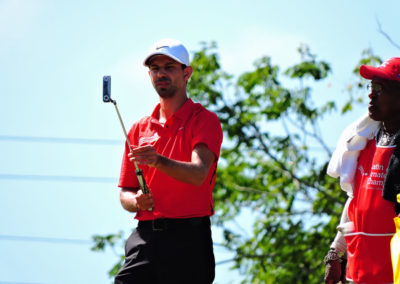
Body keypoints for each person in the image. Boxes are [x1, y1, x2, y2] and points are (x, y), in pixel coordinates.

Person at [114, 39, 223, 284]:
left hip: (189, 239)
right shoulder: (138, 129)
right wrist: (136, 201)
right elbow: (125, 193)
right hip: (145, 238)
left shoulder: (203, 120)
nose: (161, 73)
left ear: (187, 73)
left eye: (169, 67)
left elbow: (199, 174)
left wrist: (159, 161)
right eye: (155, 69)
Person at [324, 57, 400, 284]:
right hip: (358, 273)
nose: (371, 94)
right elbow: (354, 202)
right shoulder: (362, 142)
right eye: (371, 86)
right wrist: (335, 253)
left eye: (380, 88)